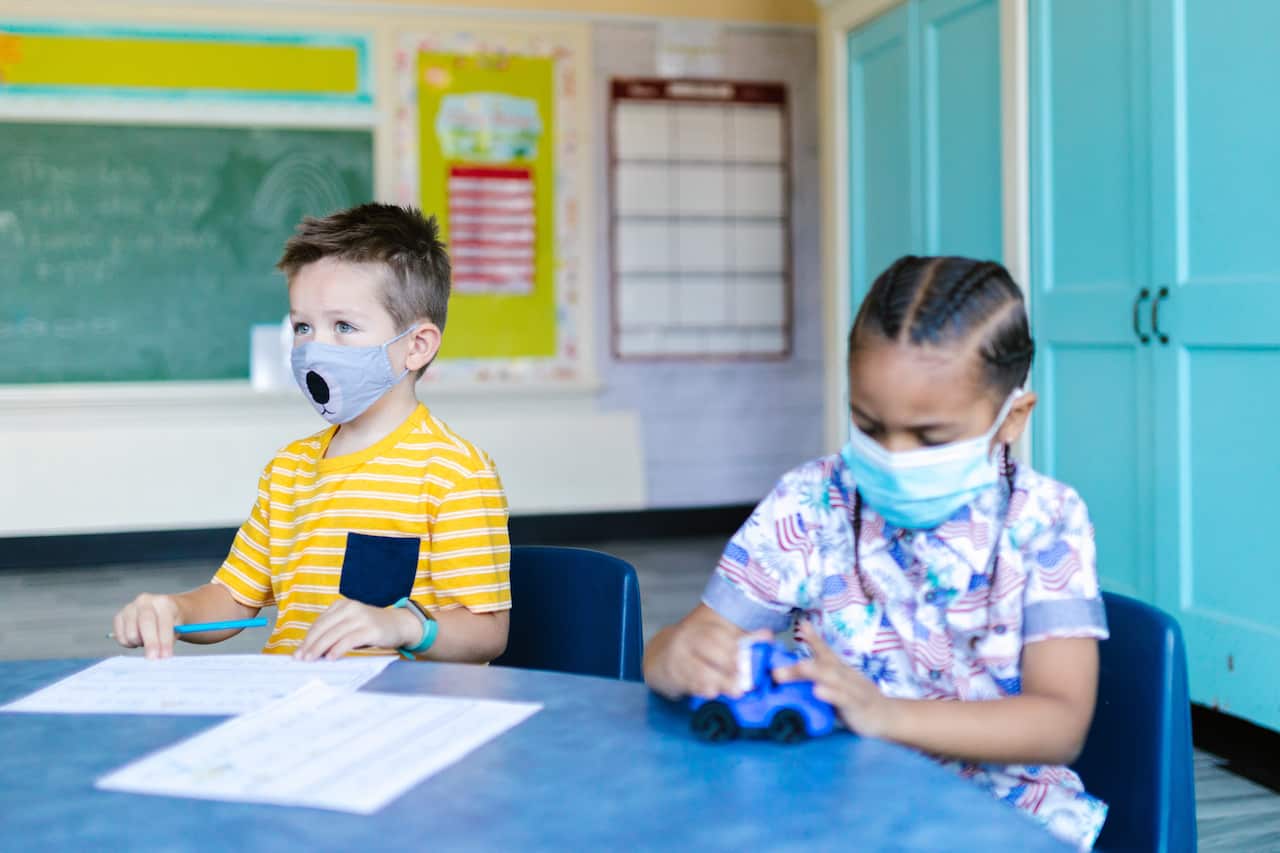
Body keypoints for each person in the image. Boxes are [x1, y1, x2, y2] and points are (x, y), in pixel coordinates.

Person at [644, 256, 1109, 849]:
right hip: (832, 804)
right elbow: (686, 643)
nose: (892, 454)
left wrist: (885, 714)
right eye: (868, 425)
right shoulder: (810, 503)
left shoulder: (1046, 522)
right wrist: (672, 658)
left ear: (1011, 417)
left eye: (929, 436)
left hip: (999, 818)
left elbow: (1059, 724)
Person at [112, 203, 510, 664]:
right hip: (295, 707)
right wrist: (173, 610)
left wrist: (403, 625)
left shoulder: (454, 472)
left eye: (343, 326)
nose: (315, 347)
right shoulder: (289, 469)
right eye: (303, 326)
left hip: (398, 714)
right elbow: (234, 598)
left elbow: (486, 633)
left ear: (416, 346)